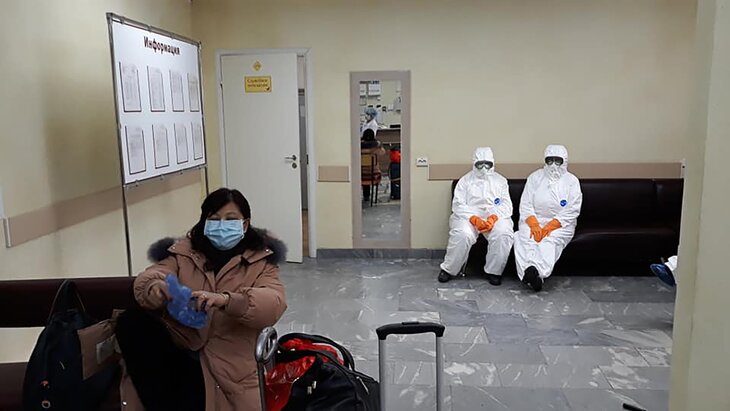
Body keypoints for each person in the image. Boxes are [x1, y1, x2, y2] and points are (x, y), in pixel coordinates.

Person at [115, 188, 287, 410]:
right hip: (184, 346)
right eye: (214, 219)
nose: (222, 226)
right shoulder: (184, 253)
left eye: (230, 219)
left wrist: (227, 301)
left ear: (244, 225)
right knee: (132, 322)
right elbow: (154, 274)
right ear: (204, 222)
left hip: (231, 360)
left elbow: (273, 302)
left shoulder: (260, 261)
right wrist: (157, 287)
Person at [438, 147, 514, 285]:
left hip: (494, 216)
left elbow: (506, 205)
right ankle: (449, 269)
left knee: (503, 233)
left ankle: (493, 271)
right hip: (468, 216)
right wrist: (473, 219)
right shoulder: (465, 181)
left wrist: (493, 217)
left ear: (492, 163)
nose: (484, 168)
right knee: (463, 234)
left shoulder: (501, 181)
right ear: (474, 163)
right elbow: (458, 205)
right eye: (480, 164)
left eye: (487, 164)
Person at [514, 145, 582, 292]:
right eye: (550, 160)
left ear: (564, 161)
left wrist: (551, 226)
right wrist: (534, 224)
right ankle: (533, 275)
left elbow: (573, 209)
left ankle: (533, 272)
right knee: (521, 237)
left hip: (562, 224)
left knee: (548, 241)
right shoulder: (535, 177)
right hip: (534, 220)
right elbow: (525, 203)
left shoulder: (572, 181)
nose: (553, 165)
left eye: (558, 160)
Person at [361, 128, 385, 202]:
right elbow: (383, 153)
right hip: (374, 174)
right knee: (371, 169)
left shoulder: (358, 145)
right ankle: (369, 197)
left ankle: (366, 196)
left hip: (361, 174)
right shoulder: (377, 146)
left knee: (364, 172)